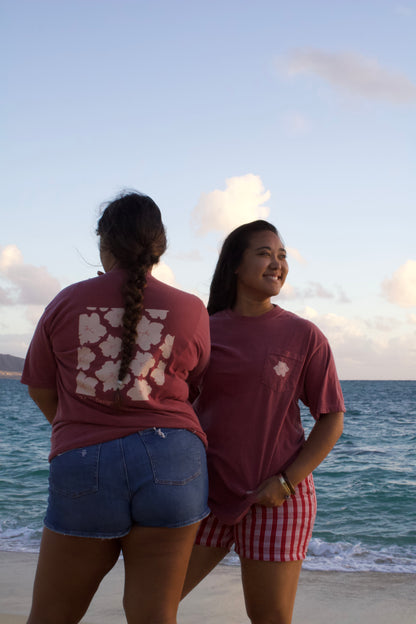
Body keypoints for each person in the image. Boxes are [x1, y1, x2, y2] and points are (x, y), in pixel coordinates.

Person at [21, 191, 211, 624]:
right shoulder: (191, 308)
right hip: (173, 461)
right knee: (154, 616)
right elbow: (196, 386)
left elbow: (39, 387)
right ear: (159, 245)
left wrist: (75, 429)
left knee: (52, 615)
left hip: (84, 459)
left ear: (104, 245)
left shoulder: (66, 303)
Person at [182, 220, 345, 624]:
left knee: (269, 618)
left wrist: (287, 482)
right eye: (264, 253)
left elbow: (331, 419)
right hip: (204, 494)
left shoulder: (304, 335)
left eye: (282, 255)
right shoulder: (201, 330)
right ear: (234, 265)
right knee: (154, 603)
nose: (277, 263)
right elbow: (173, 407)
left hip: (278, 498)